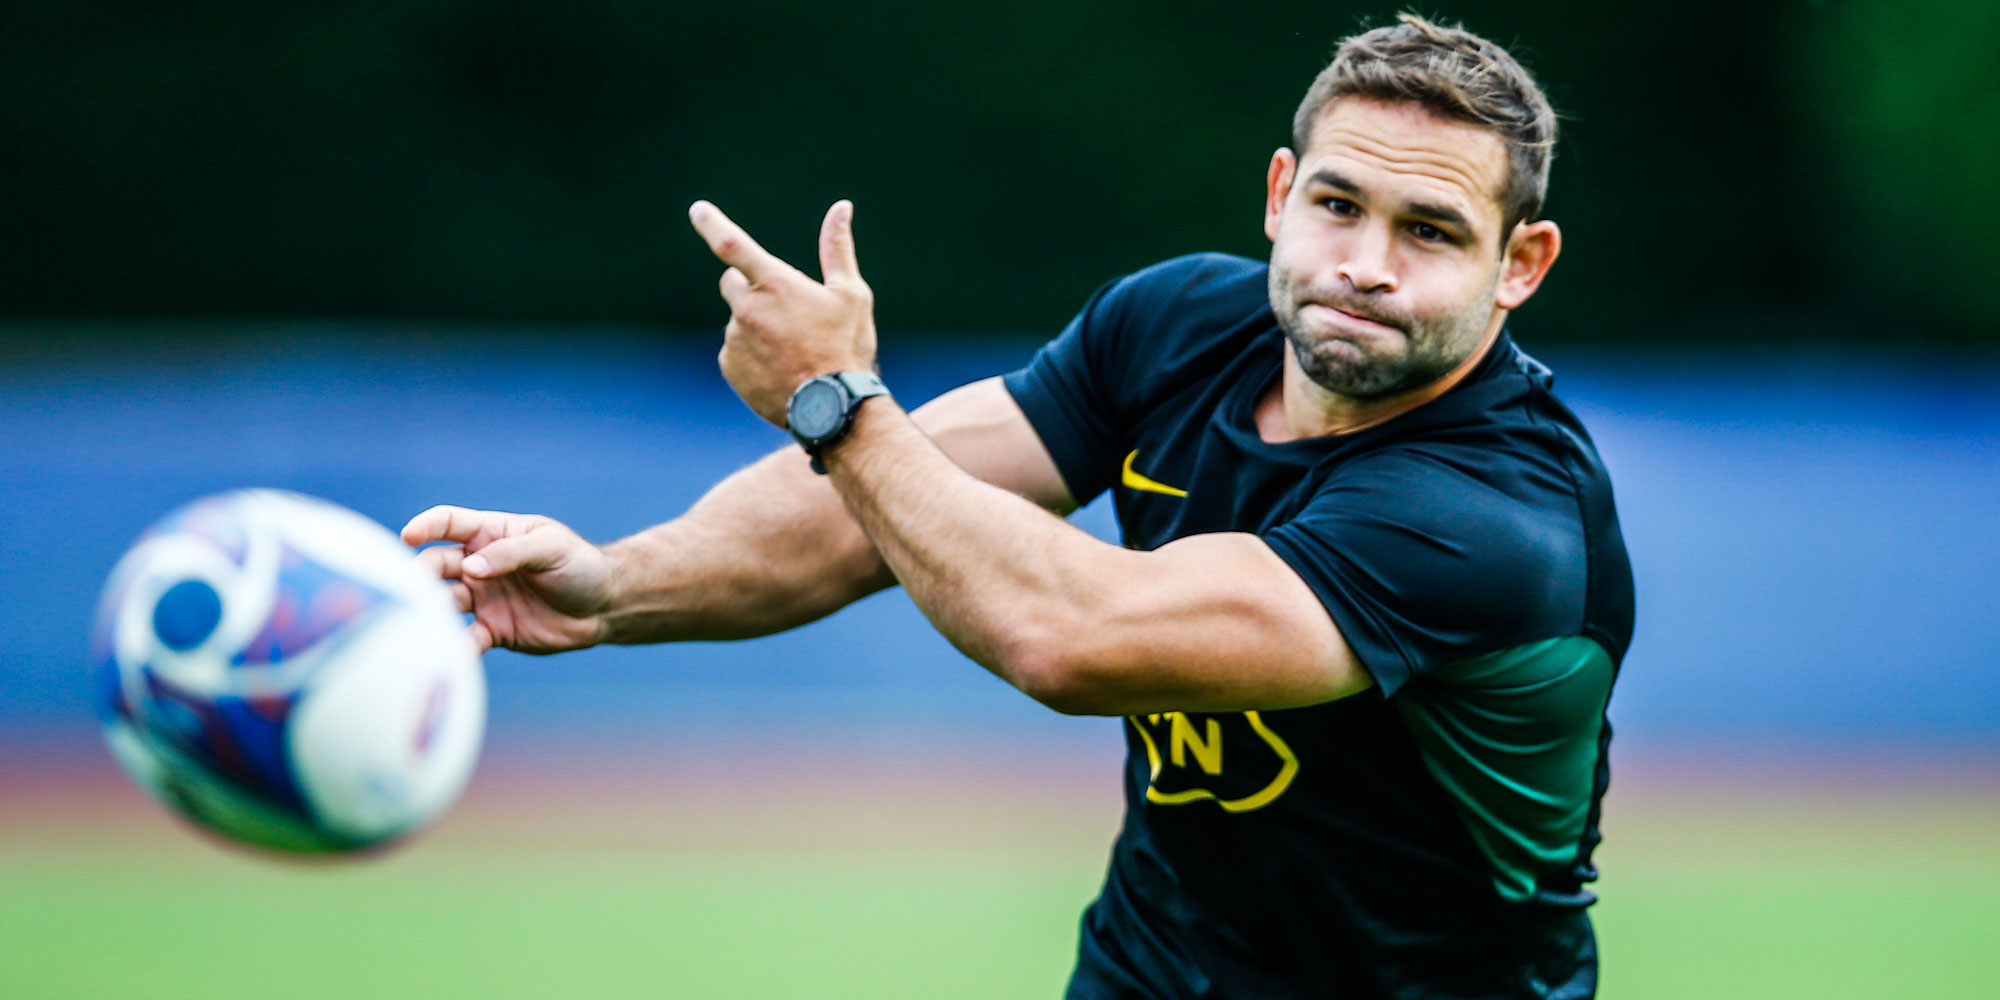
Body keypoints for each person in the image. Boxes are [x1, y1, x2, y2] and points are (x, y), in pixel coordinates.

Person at [403, 13, 1633, 999]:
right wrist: (616, 586)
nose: (1363, 263)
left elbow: (1071, 633)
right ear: (1276, 193)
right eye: (1336, 204)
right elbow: (864, 510)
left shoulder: (1493, 518)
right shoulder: (1179, 324)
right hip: (1148, 968)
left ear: (1517, 265)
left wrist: (837, 400)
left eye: (1428, 230)